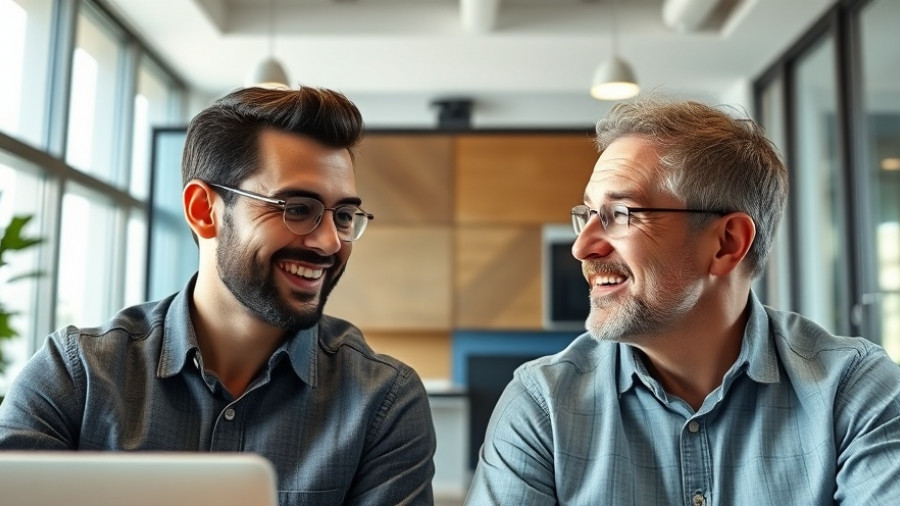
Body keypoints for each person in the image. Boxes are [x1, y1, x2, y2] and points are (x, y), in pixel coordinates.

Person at [0, 86, 436, 505]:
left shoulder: (383, 402)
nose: (328, 242)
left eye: (343, 216)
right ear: (203, 211)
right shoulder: (76, 377)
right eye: (297, 209)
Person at [466, 97, 900, 505]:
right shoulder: (543, 405)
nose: (582, 247)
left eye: (620, 214)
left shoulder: (857, 392)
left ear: (727, 243)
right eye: (587, 215)